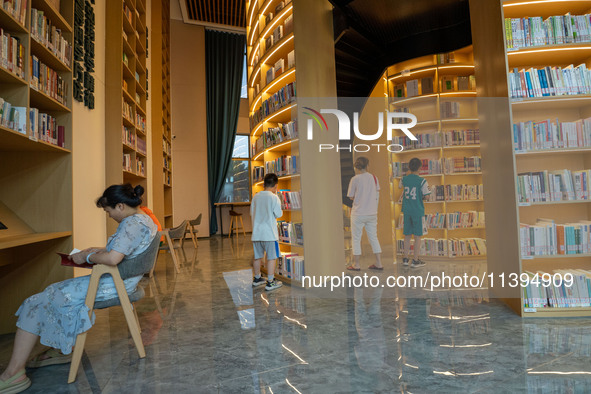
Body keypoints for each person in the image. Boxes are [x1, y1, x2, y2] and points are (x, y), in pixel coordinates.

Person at [0, 184, 158, 393]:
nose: (109, 216)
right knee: (52, 291)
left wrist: (86, 256)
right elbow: (126, 251)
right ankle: (62, 348)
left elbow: (112, 258)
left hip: (112, 284)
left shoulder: (131, 224)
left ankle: (14, 374)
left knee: (35, 301)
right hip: (122, 281)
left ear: (120, 206)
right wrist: (96, 250)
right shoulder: (144, 219)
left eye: (108, 211)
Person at [346, 156, 383, 271]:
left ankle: (356, 264)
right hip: (372, 213)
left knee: (356, 238)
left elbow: (351, 196)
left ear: (357, 167)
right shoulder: (374, 178)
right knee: (373, 237)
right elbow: (377, 193)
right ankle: (379, 262)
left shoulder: (355, 179)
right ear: (367, 165)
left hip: (358, 213)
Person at [251, 173, 283, 291]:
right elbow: (279, 214)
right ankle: (270, 282)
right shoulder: (274, 197)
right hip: (270, 234)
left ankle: (257, 278)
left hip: (256, 233)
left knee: (257, 257)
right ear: (276, 186)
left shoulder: (256, 196)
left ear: (264, 184)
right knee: (271, 257)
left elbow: (252, 213)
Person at [399, 157, 430, 268]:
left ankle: (405, 258)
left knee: (407, 235)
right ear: (420, 168)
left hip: (407, 211)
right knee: (417, 236)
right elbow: (427, 196)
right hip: (417, 211)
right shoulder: (422, 181)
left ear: (409, 167)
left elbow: (399, 186)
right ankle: (415, 260)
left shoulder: (404, 179)